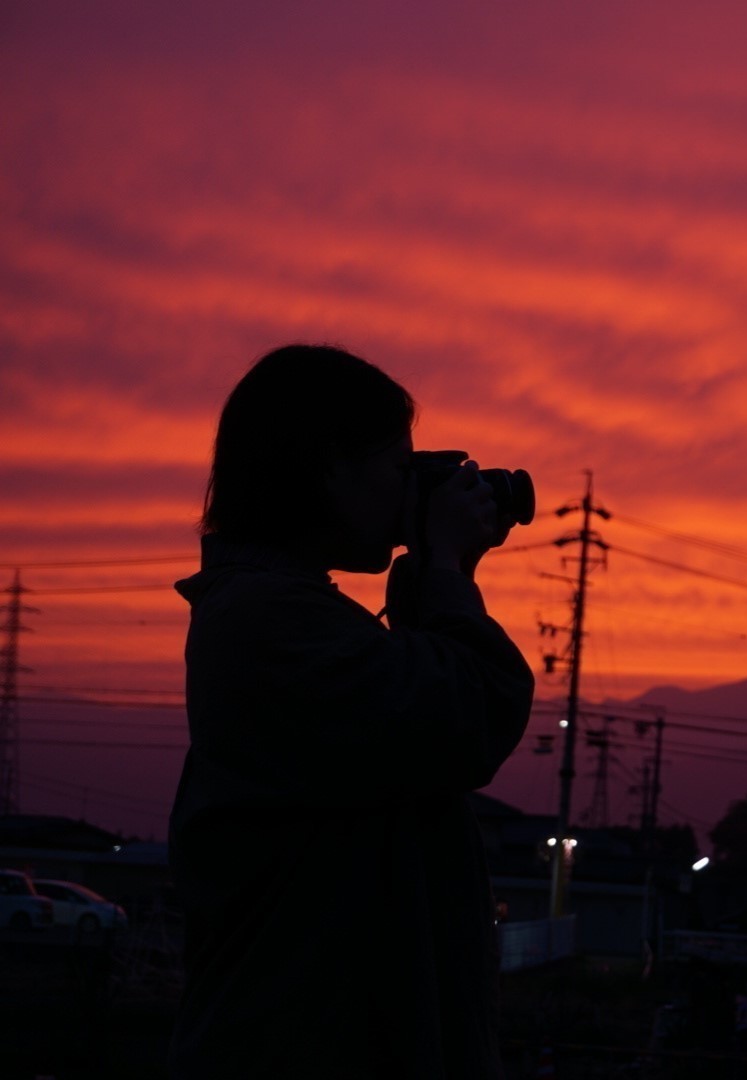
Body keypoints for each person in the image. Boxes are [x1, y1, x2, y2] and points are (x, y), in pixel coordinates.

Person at [167, 344, 536, 1079]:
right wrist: (445, 570)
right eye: (400, 470)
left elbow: (425, 708)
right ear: (329, 469)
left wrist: (433, 580)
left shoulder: (290, 614)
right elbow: (472, 712)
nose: (409, 495)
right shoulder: (266, 622)